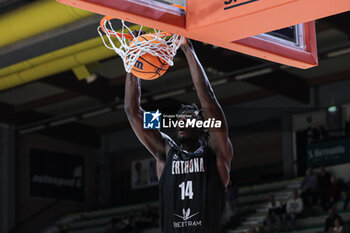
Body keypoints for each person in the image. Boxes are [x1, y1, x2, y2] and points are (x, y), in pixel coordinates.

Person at [124, 38, 233, 233]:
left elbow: (207, 97)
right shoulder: (166, 154)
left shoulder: (216, 154)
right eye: (180, 120)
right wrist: (134, 58)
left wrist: (187, 48)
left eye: (189, 119)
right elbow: (133, 111)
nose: (182, 123)